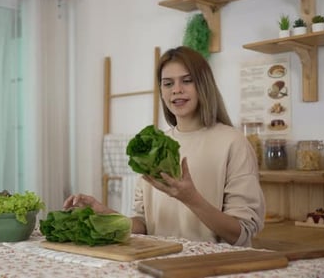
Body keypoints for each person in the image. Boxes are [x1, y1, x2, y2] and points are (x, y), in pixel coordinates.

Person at [64, 46, 265, 247]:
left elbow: (241, 233)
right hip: (159, 262)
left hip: (211, 268)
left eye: (187, 81)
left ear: (204, 85)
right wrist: (104, 213)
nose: (176, 89)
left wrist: (191, 198)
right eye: (168, 83)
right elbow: (143, 224)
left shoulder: (233, 142)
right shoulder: (155, 146)